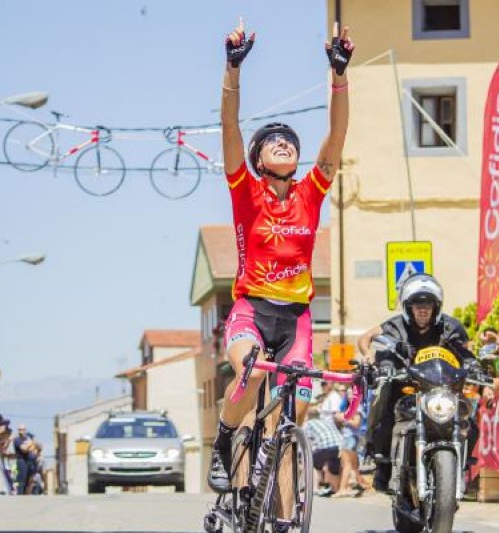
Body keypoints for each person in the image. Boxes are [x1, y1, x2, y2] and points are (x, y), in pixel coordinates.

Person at [206, 17, 354, 502]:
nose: (284, 142)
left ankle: (286, 515)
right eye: (273, 141)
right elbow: (229, 125)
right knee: (249, 372)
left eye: (290, 139)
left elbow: (337, 133)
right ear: (258, 158)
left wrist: (338, 74)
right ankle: (227, 438)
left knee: (294, 423)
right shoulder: (246, 192)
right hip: (252, 309)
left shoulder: (311, 192)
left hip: (297, 318)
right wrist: (233, 70)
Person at [356, 273, 476, 492]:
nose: (423, 309)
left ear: (436, 307)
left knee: (468, 414)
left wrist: (474, 367)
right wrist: (368, 356)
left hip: (441, 387)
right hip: (405, 385)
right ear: (407, 306)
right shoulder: (395, 326)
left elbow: (466, 353)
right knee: (383, 396)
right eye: (417, 304)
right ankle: (380, 460)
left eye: (428, 304)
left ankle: (462, 463)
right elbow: (365, 338)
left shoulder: (450, 327)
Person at [303, 405, 343, 497]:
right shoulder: (326, 421)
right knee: (334, 466)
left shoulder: (309, 424)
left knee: (312, 463)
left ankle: (315, 488)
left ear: (308, 416)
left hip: (326, 447)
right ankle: (335, 489)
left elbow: (305, 439)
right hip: (340, 446)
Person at [14, 424, 34, 495]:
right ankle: (20, 495)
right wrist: (29, 444)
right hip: (21, 461)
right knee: (21, 480)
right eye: (19, 429)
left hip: (28, 461)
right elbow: (24, 449)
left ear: (25, 430)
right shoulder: (17, 440)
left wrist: (29, 445)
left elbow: (32, 449)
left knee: (28, 481)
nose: (21, 431)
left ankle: (26, 496)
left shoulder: (27, 439)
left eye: (22, 429)